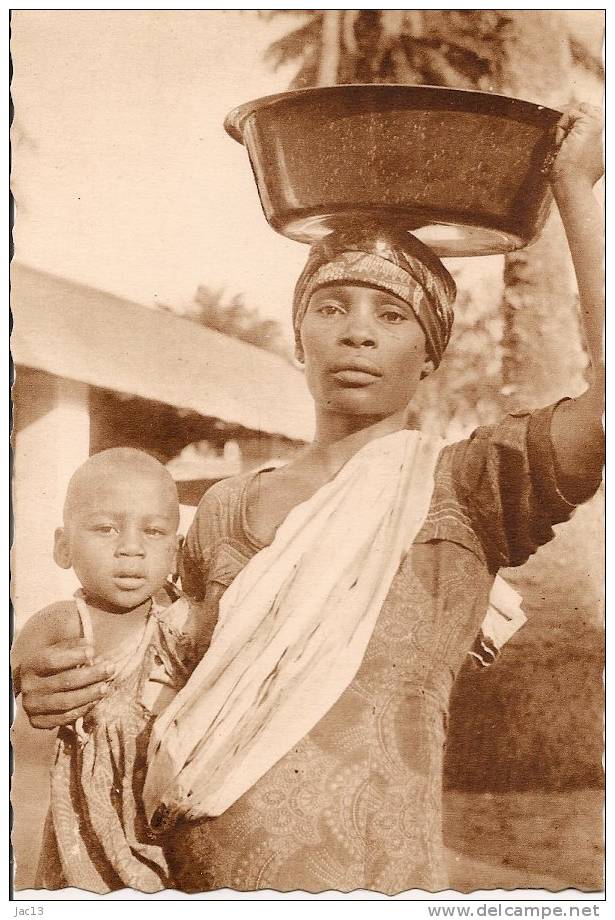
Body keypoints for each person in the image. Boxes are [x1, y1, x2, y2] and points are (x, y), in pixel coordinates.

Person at [18, 104, 604, 895]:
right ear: (300, 338)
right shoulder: (222, 510)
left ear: (429, 354)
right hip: (191, 884)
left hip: (375, 889)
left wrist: (575, 190)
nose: (356, 333)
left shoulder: (468, 486)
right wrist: (40, 660)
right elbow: (139, 658)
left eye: (391, 315)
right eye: (331, 308)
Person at [11, 448, 209, 893]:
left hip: (168, 805)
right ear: (64, 547)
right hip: (91, 815)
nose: (131, 548)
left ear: (176, 551)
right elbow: (14, 670)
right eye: (106, 529)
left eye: (153, 531)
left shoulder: (181, 620)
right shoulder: (63, 622)